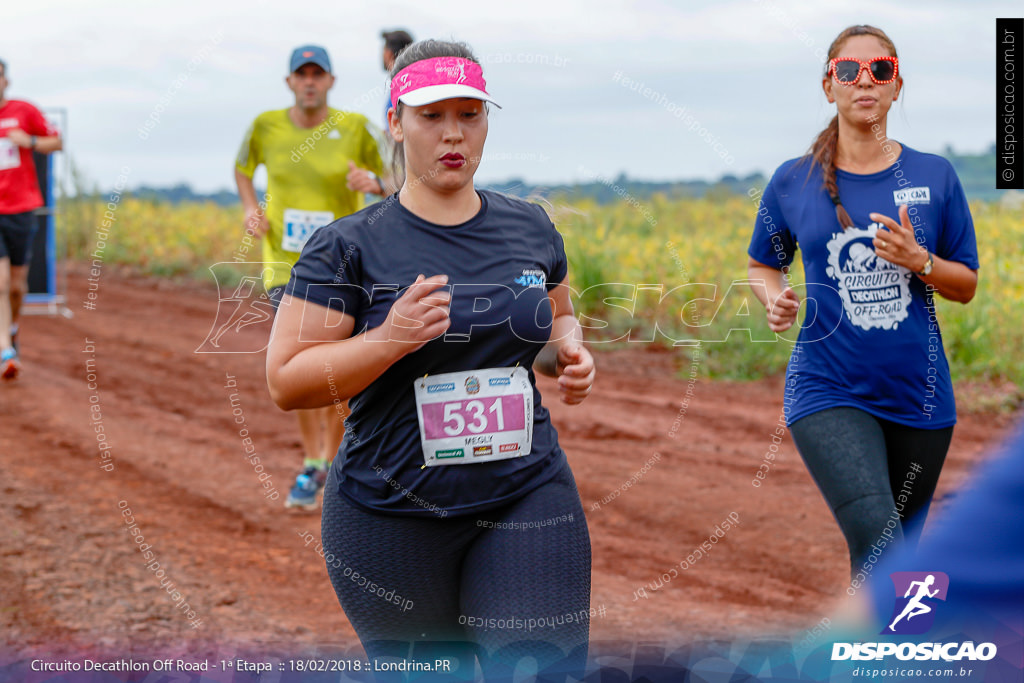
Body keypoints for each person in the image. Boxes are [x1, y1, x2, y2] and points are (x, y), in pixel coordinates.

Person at [266, 39, 594, 679]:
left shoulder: (530, 228)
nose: (453, 134)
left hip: (525, 491)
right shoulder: (347, 247)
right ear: (395, 121)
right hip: (391, 514)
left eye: (469, 115)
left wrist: (568, 354)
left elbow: (554, 320)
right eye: (431, 116)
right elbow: (286, 380)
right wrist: (390, 338)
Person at [746, 26, 979, 579]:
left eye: (880, 71)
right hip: (828, 387)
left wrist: (918, 260)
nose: (864, 81)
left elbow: (965, 284)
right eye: (848, 71)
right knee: (881, 543)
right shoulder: (792, 181)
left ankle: (883, 660)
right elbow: (763, 265)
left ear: (897, 86)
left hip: (920, 399)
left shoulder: (934, 175)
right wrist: (776, 300)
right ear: (829, 86)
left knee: (893, 560)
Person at [235, 45, 385, 508]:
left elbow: (397, 174)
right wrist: (249, 208)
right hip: (285, 263)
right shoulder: (265, 125)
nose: (309, 82)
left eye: (317, 74)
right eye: (301, 74)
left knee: (340, 371)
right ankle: (314, 462)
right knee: (301, 364)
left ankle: (338, 464)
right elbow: (243, 168)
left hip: (345, 264)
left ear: (331, 81)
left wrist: (374, 184)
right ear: (289, 83)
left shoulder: (355, 128)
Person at [0, 58, 62, 380]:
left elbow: (57, 142)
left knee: (16, 285)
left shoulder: (25, 111)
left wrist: (31, 142)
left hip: (21, 208)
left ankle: (12, 329)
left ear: (5, 81)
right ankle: (4, 352)